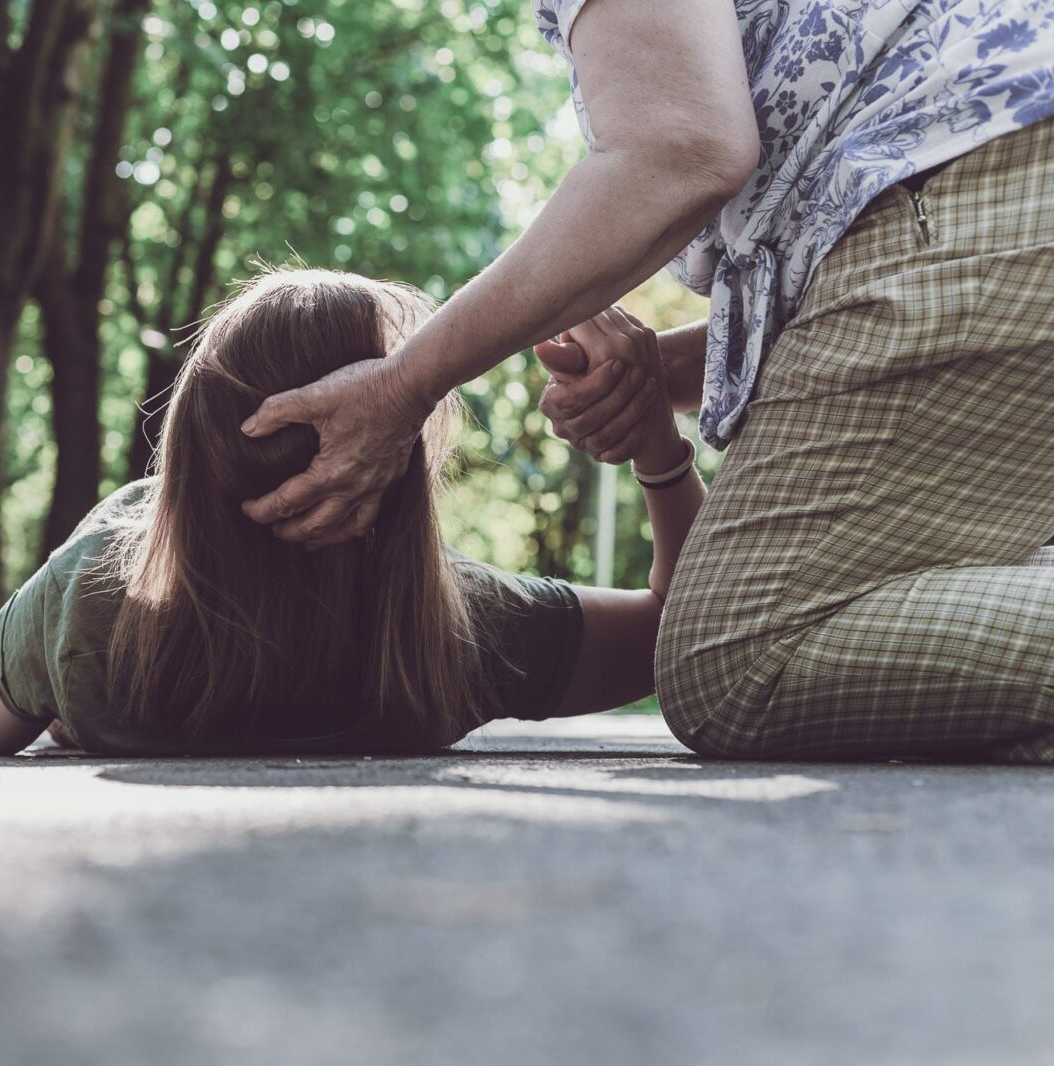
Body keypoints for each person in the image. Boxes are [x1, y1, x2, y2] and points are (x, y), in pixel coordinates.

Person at [238, 0, 1054, 761]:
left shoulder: (458, 629)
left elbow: (682, 148)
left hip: (980, 173)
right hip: (999, 170)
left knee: (734, 663)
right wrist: (655, 385)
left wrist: (408, 382)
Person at [0, 269, 702, 756]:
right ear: (394, 469)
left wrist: (65, 656)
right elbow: (683, 632)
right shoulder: (458, 632)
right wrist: (659, 452)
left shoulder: (95, 604)